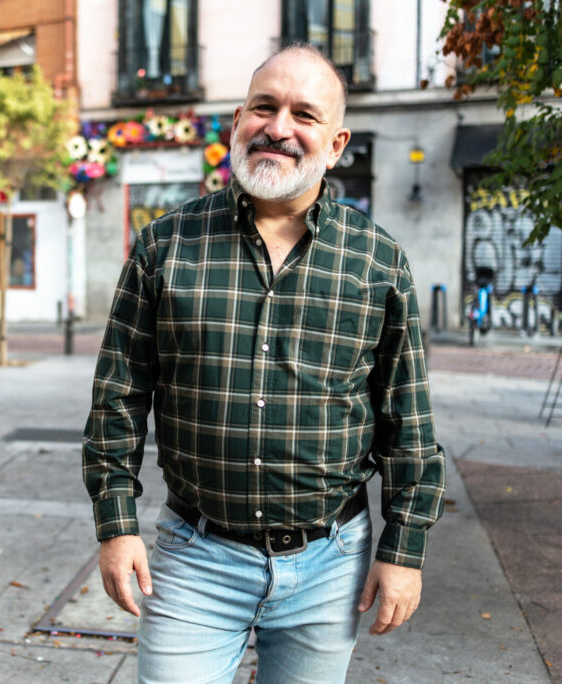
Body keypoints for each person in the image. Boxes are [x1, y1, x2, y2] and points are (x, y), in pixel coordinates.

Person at [82, 43, 445, 684]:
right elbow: (118, 395)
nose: (279, 128)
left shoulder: (377, 261)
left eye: (304, 114)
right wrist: (116, 524)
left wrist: (404, 548)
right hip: (195, 556)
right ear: (237, 123)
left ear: (335, 145)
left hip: (331, 563)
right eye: (264, 107)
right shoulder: (166, 245)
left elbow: (406, 418)